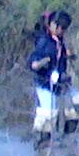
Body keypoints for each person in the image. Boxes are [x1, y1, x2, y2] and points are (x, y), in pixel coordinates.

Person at [27, 9, 72, 146]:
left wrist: (68, 58)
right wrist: (40, 63)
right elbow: (32, 63)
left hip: (57, 83)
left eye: (64, 28)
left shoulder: (59, 41)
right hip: (44, 83)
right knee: (49, 112)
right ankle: (42, 141)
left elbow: (61, 61)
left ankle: (68, 136)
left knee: (78, 100)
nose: (62, 30)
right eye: (60, 27)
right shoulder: (44, 41)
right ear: (52, 25)